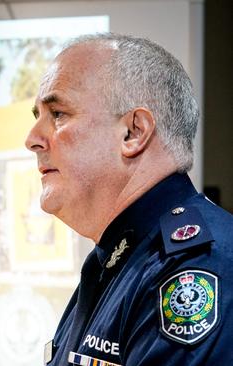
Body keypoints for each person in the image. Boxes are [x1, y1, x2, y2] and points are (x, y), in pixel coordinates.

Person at [26, 33, 233, 365]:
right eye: (36, 117)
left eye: (58, 114)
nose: (32, 139)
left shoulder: (195, 267)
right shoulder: (115, 259)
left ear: (134, 132)